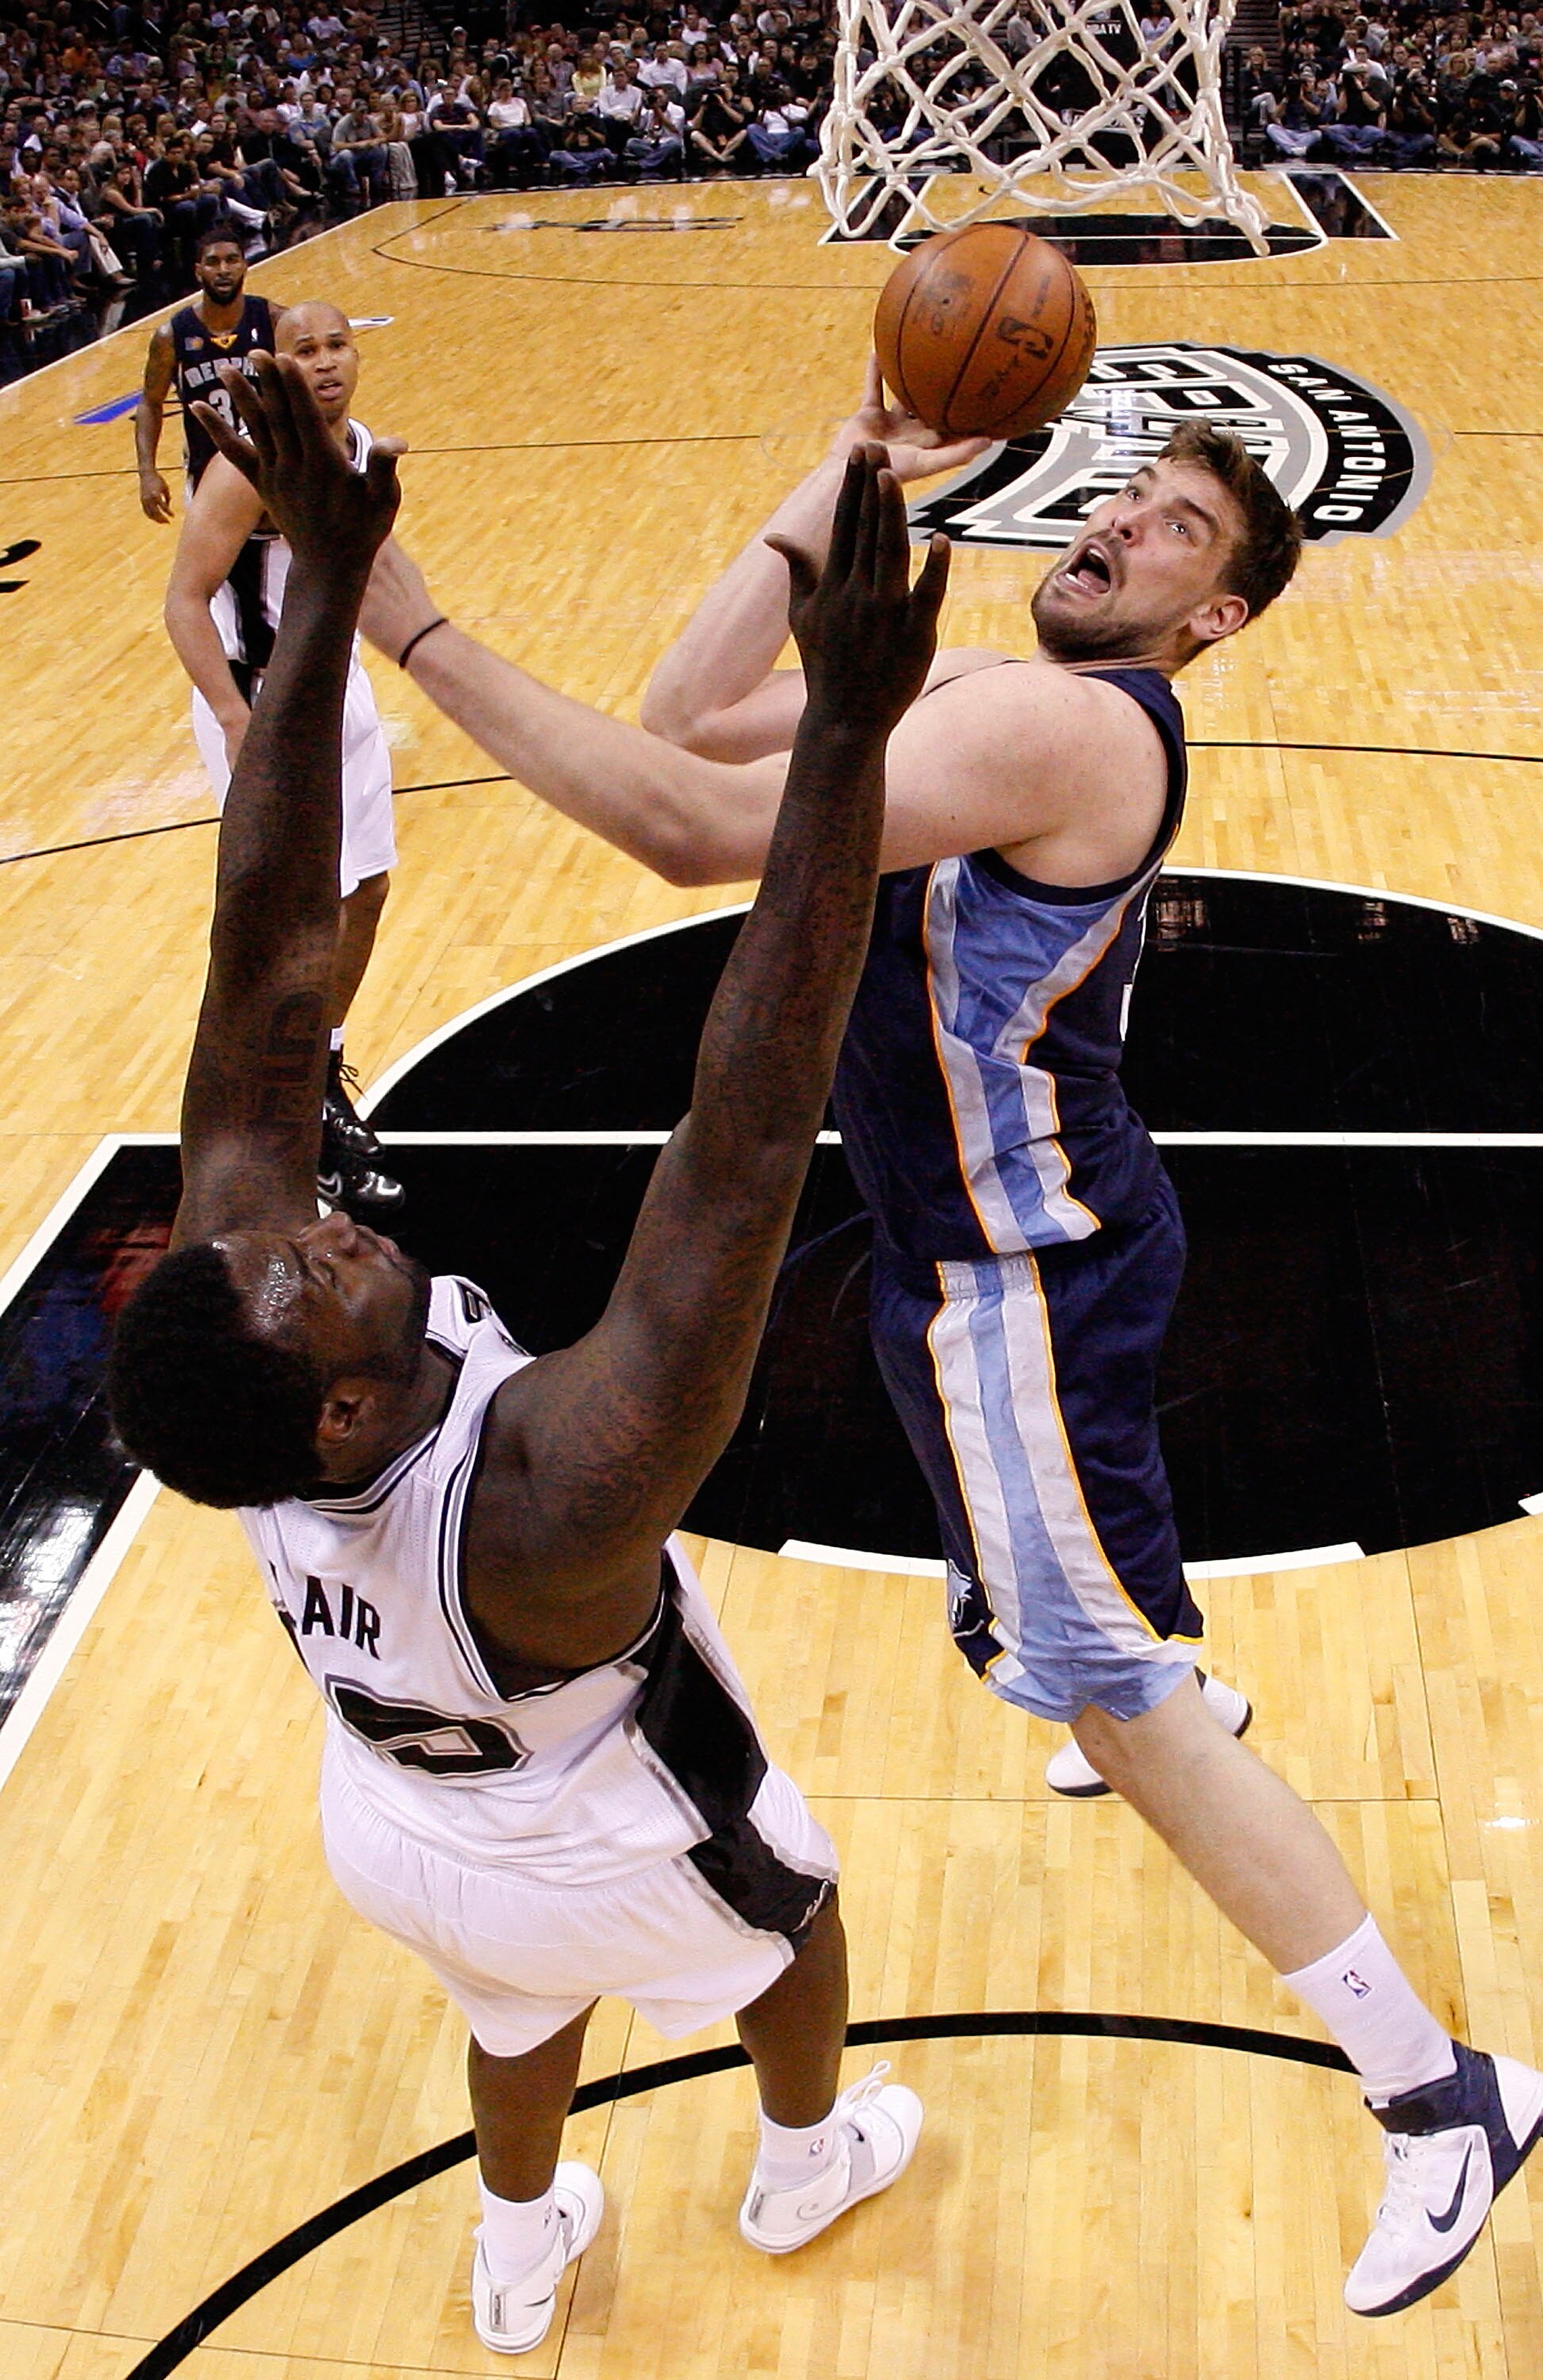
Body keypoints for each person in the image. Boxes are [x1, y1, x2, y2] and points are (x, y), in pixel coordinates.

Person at [358, 363, 1543, 2320]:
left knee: (1103, 1678)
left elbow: (675, 824)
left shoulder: (1060, 725)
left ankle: (1436, 2093)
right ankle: (1112, 1669)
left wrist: (401, 616)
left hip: (1024, 1282)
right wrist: (828, 483)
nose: (1109, 524)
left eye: (1170, 527)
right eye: (1119, 493)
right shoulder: (969, 702)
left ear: (1212, 620)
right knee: (1049, 1611)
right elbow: (692, 716)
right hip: (972, 1257)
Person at [106, 357, 942, 2357]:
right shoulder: (555, 1491)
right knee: (791, 1921)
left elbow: (268, 945)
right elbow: (741, 1142)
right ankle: (805, 2149)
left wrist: (324, 583)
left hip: (395, 1812)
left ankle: (514, 2231)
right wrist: (840, 743)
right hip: (595, 1806)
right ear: (338, 1404)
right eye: (314, 1264)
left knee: (507, 1999)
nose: (319, 1222)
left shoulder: (252, 1381)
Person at [162, 301, 402, 1216]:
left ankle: (317, 1077)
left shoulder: (357, 445)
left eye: (337, 343)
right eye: (305, 350)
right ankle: (272, 1123)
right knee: (285, 921)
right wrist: (231, 720)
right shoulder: (243, 469)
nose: (327, 361)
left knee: (367, 888)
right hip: (257, 702)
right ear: (282, 368)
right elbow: (184, 601)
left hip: (335, 685)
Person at [135, 221, 286, 523]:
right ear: (198, 271)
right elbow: (151, 404)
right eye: (213, 262)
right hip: (207, 472)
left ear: (245, 265)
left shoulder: (274, 320)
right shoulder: (172, 335)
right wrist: (147, 473)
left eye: (231, 260)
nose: (223, 269)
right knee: (213, 570)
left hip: (274, 468)